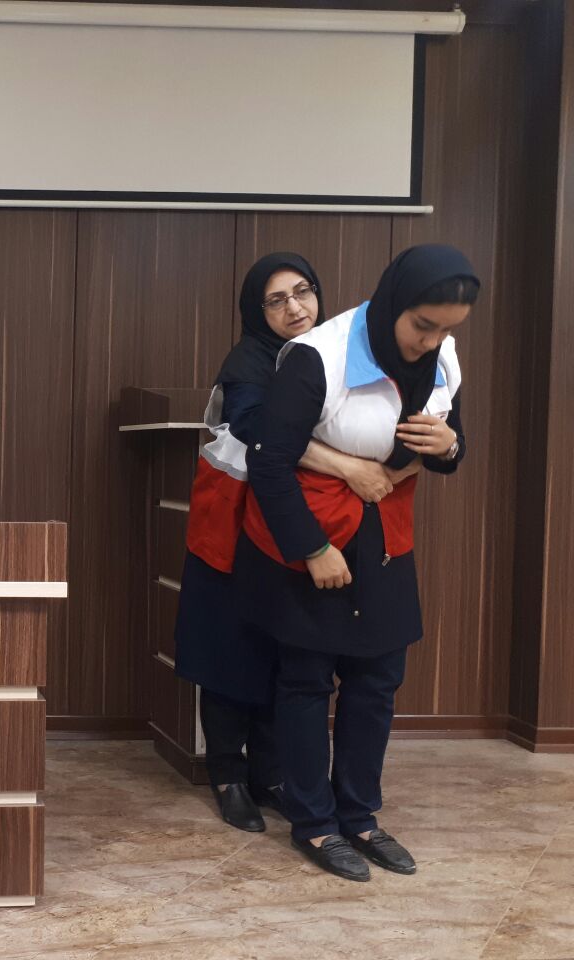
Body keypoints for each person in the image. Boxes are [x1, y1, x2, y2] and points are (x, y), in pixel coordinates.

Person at [238, 244, 476, 881]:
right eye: (422, 325)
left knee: (377, 680)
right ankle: (314, 823)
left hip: (387, 533)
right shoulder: (319, 355)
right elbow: (268, 461)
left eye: (446, 328)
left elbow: (452, 448)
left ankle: (361, 816)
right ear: (394, 303)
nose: (432, 341)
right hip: (317, 530)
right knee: (307, 680)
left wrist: (449, 445)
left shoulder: (441, 355)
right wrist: (313, 550)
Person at [175, 254, 398, 834]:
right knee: (228, 649)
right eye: (276, 300)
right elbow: (260, 432)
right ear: (257, 310)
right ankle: (228, 774)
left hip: (296, 524)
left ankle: (270, 773)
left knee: (285, 649)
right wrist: (347, 466)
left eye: (303, 292)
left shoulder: (334, 352)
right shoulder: (249, 360)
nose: (295, 307)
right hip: (235, 522)